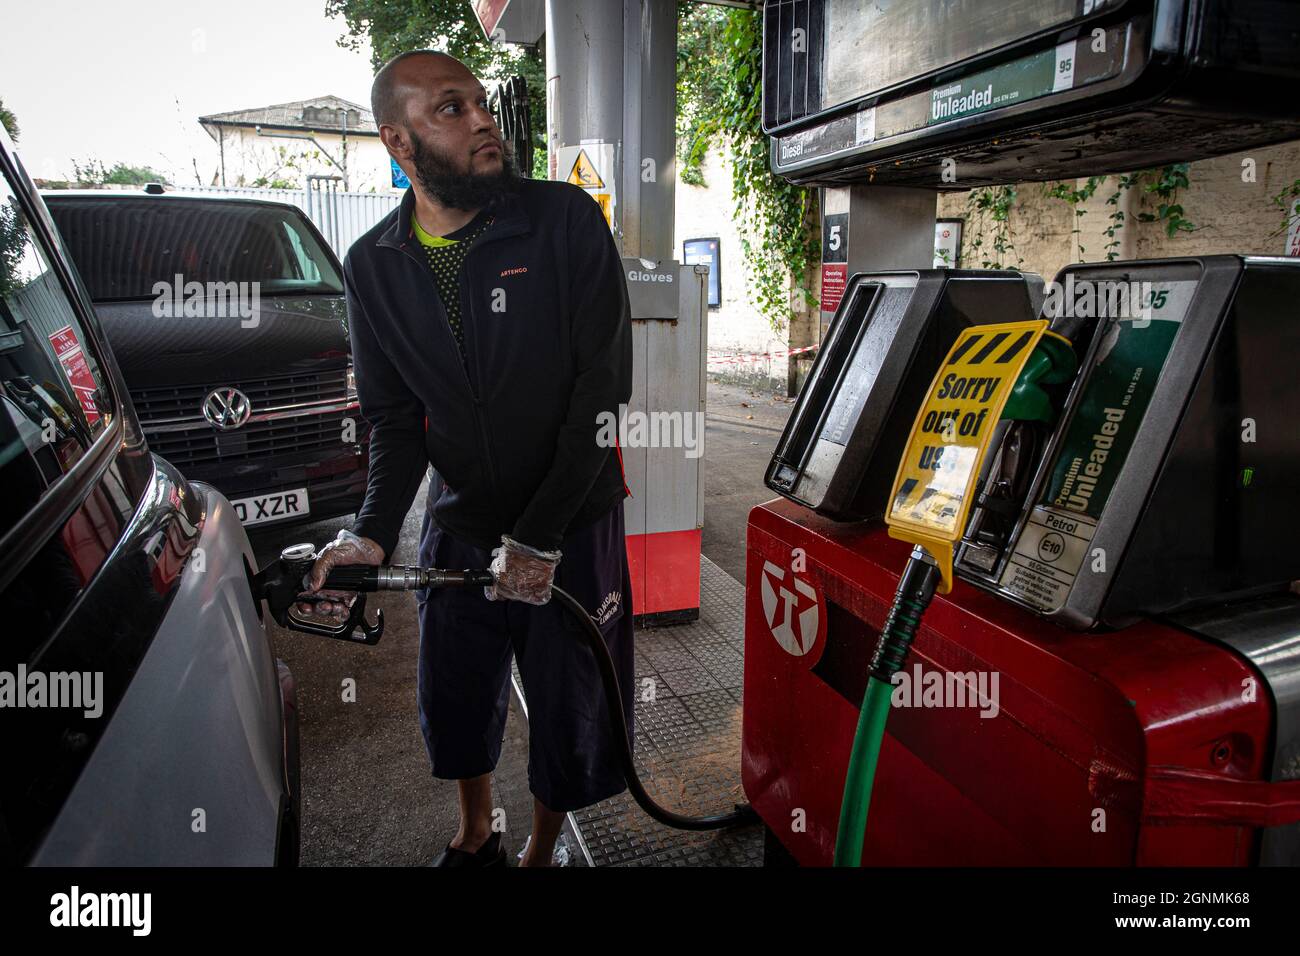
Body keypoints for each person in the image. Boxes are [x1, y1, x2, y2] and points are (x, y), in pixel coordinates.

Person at [300, 49, 634, 867]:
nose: (482, 119)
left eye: (479, 102)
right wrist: (371, 533)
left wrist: (542, 535)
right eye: (449, 109)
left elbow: (603, 391)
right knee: (455, 694)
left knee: (569, 702)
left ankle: (543, 850)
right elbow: (392, 419)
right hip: (461, 519)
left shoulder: (561, 221)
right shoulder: (374, 266)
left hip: (572, 515)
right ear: (399, 143)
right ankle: (477, 833)